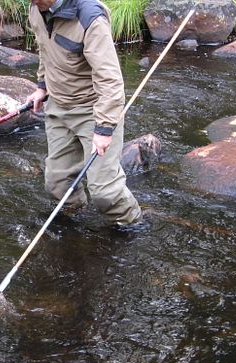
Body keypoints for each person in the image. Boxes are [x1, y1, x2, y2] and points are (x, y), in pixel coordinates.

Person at [26, 0, 142, 226]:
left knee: (105, 192)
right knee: (57, 183)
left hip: (93, 110)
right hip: (58, 107)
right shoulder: (35, 9)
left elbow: (109, 79)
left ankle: (134, 225)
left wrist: (104, 128)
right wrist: (42, 86)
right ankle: (76, 221)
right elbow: (45, 48)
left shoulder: (90, 17)